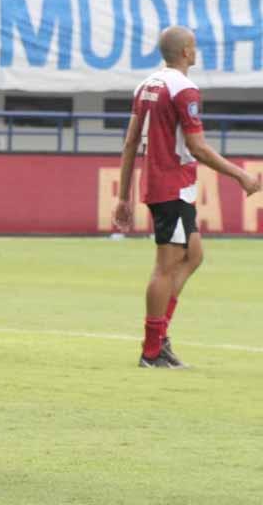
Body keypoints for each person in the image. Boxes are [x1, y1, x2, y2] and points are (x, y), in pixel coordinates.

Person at [113, 26, 261, 369]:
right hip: (172, 186)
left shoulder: (146, 85)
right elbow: (197, 147)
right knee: (165, 266)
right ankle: (152, 351)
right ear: (185, 53)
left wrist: (124, 196)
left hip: (164, 185)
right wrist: (240, 175)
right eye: (193, 47)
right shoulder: (185, 90)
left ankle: (159, 338)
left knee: (193, 255)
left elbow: (130, 142)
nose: (196, 52)